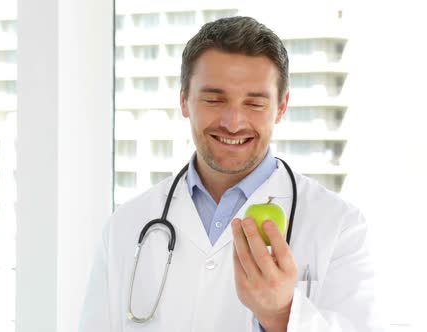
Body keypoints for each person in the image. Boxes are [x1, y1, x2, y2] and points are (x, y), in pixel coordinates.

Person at [79, 16, 383, 332]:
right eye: (214, 99)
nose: (233, 122)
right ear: (184, 99)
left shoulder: (339, 226)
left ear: (281, 107)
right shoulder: (127, 225)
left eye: (254, 103)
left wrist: (281, 314)